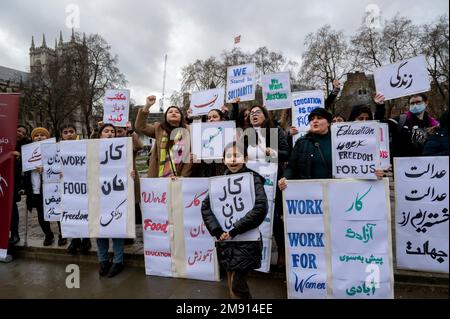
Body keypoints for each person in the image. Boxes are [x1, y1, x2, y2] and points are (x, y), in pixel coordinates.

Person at [201, 141, 268, 299]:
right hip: (226, 241)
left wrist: (234, 230)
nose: (232, 160)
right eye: (229, 156)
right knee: (231, 283)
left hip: (246, 242)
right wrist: (218, 232)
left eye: (236, 156)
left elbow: (260, 208)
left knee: (238, 285)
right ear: (224, 160)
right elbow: (205, 206)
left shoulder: (253, 180)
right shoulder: (219, 183)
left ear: (245, 158)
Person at [245, 105, 289, 270]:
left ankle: (282, 253)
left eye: (257, 112)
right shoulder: (247, 134)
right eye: (251, 113)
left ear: (265, 115)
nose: (254, 115)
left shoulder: (275, 132)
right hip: (251, 180)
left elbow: (287, 153)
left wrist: (274, 152)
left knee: (275, 218)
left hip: (272, 180)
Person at [96, 123, 135, 278]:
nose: (110, 133)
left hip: (117, 194)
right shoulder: (92, 149)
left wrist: (131, 175)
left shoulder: (123, 147)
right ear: (100, 134)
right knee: (99, 229)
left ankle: (118, 261)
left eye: (113, 131)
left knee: (116, 227)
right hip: (99, 195)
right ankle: (103, 260)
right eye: (106, 131)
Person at [24, 127, 66, 246]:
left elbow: (59, 167)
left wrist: (45, 169)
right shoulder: (28, 153)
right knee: (42, 215)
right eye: (36, 135)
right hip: (35, 190)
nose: (39, 137)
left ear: (47, 137)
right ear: (33, 138)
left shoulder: (54, 151)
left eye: (42, 135)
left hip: (51, 189)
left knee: (57, 212)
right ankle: (48, 235)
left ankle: (62, 235)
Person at [135, 95, 192, 178]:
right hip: (158, 178)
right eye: (170, 112)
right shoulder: (158, 128)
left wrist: (182, 178)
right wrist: (147, 106)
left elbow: (189, 158)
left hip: (179, 177)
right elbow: (140, 126)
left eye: (177, 112)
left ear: (181, 117)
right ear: (165, 117)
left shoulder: (188, 130)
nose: (173, 113)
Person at [376, 93, 439, 158]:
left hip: (424, 165)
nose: (415, 105)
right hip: (402, 165)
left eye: (418, 102)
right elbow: (380, 125)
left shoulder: (433, 124)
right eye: (412, 103)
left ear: (426, 103)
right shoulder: (400, 120)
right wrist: (380, 107)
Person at [62, 124, 92, 255]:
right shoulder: (57, 149)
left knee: (85, 213)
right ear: (62, 135)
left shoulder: (85, 146)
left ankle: (86, 239)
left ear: (75, 133)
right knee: (71, 213)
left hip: (84, 186)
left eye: (71, 131)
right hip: (67, 188)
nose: (69, 134)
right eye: (65, 132)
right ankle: (75, 240)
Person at [116, 122, 144, 245]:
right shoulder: (105, 143)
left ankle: (129, 234)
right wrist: (96, 131)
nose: (117, 134)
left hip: (130, 180)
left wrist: (132, 132)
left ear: (125, 131)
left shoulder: (129, 144)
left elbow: (140, 146)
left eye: (120, 131)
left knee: (130, 208)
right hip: (113, 183)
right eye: (115, 131)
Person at [190, 108, 229, 177]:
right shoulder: (200, 136)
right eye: (209, 118)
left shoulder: (229, 135)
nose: (211, 119)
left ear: (222, 119)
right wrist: (194, 158)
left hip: (223, 174)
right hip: (205, 174)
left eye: (215, 117)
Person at [9, 125, 31, 245]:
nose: (20, 133)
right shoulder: (5, 140)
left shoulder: (27, 145)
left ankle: (15, 233)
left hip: (14, 181)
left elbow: (30, 161)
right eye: (18, 130)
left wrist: (20, 156)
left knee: (11, 208)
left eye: (23, 132)